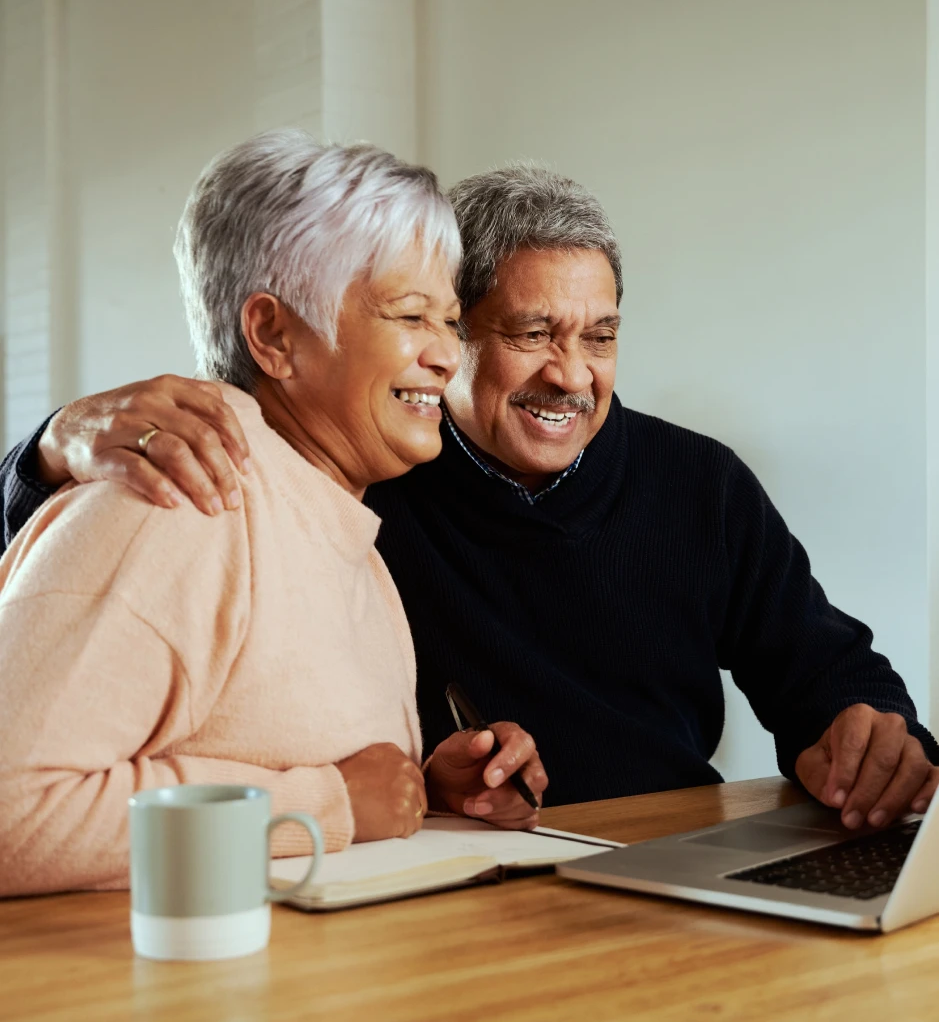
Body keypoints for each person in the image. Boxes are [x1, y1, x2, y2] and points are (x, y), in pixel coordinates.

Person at [2, 163, 936, 837]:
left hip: (658, 854)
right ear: (463, 334)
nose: (571, 374)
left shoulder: (700, 484)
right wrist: (45, 451)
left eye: (600, 337)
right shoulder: (366, 478)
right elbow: (63, 588)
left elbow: (826, 668)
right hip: (461, 883)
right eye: (530, 332)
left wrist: (864, 735)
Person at [0, 132, 546, 898]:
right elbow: (12, 813)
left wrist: (423, 790)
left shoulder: (345, 534)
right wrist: (325, 804)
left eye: (448, 321)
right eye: (409, 315)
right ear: (273, 336)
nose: (445, 355)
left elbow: (282, 753)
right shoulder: (184, 504)